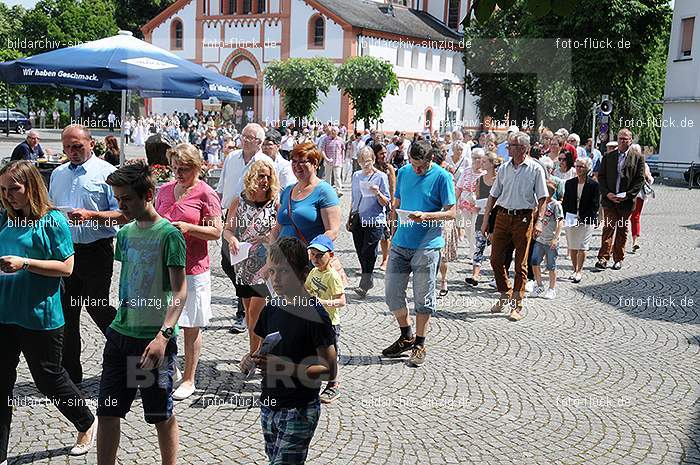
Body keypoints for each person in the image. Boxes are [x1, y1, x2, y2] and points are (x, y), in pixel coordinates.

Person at [0, 161, 97, 461]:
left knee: (47, 378)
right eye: (3, 189)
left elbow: (67, 267)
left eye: (14, 189)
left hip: (40, 316)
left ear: (31, 187)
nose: (8, 195)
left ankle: (86, 422)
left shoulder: (52, 220)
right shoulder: (6, 218)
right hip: (4, 314)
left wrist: (24, 263)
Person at [96, 162, 187, 465]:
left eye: (127, 199)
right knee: (108, 410)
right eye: (118, 199)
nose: (121, 206)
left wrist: (164, 336)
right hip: (121, 336)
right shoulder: (124, 234)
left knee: (160, 413)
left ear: (147, 195)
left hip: (153, 340)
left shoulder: (169, 235)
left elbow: (179, 292)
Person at [247, 237, 337, 465]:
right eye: (273, 271)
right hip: (269, 405)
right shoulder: (271, 309)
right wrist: (250, 359)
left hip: (300, 408)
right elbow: (260, 351)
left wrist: (282, 367)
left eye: (284, 272)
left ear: (303, 273)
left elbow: (328, 370)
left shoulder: (316, 316)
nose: (276, 279)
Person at [49, 124, 122, 384]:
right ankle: (71, 375)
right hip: (65, 252)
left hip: (96, 251)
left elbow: (124, 214)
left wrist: (93, 216)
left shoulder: (107, 172)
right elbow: (51, 211)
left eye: (78, 146)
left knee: (98, 306)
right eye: (67, 147)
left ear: (91, 143)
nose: (72, 151)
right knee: (67, 314)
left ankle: (131, 354)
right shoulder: (57, 174)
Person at [155, 143, 222, 400]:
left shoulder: (206, 193)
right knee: (164, 319)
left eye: (183, 169)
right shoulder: (164, 190)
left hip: (193, 267)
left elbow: (216, 231)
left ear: (197, 167)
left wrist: (187, 227)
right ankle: (168, 367)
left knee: (191, 324)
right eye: (174, 168)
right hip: (164, 265)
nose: (178, 174)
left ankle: (189, 378)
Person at [382, 141, 455, 366]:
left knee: (423, 298)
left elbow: (452, 212)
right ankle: (406, 335)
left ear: (430, 160)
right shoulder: (404, 172)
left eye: (421, 167)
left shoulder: (443, 177)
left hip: (428, 244)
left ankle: (420, 343)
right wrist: (392, 231)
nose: (417, 170)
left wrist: (427, 216)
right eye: (413, 165)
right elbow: (397, 203)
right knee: (392, 294)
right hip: (401, 242)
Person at [481, 132, 547, 322]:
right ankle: (505, 292)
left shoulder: (535, 169)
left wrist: (539, 221)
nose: (507, 148)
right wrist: (486, 222)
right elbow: (493, 195)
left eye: (511, 145)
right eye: (509, 145)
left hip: (524, 218)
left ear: (523, 148)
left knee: (521, 264)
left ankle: (516, 304)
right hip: (502, 216)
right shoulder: (504, 168)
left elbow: (543, 198)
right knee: (495, 260)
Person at [223, 159, 279, 372]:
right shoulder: (239, 201)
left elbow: (279, 231)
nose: (264, 180)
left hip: (265, 263)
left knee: (256, 309)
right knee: (248, 311)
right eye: (260, 176)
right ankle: (255, 350)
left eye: (268, 176)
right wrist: (232, 240)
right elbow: (227, 230)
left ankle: (255, 356)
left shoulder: (275, 203)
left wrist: (268, 238)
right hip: (242, 262)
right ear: (252, 177)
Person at [217, 123, 271, 335]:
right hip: (231, 217)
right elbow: (222, 187)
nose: (244, 139)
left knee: (248, 267)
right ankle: (245, 303)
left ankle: (244, 312)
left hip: (254, 219)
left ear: (259, 141)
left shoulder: (265, 162)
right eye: (243, 136)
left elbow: (272, 189)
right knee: (228, 262)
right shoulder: (232, 158)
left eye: (249, 137)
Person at [270, 142, 341, 245]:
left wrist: (312, 250)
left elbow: (332, 232)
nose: (297, 166)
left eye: (302, 162)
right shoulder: (287, 191)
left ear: (315, 163)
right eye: (294, 161)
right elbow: (277, 229)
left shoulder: (325, 191)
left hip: (308, 258)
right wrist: (271, 255)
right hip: (282, 258)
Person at [595, 129, 645, 270]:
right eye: (620, 138)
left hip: (626, 201)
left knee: (622, 229)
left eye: (625, 139)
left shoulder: (638, 158)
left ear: (630, 140)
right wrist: (607, 193)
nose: (622, 141)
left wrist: (628, 195)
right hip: (610, 200)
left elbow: (639, 180)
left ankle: (618, 258)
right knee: (608, 228)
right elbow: (601, 177)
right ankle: (603, 258)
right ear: (617, 140)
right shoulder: (608, 156)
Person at [304, 234, 345, 404]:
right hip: (313, 321)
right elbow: (306, 289)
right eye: (312, 255)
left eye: (320, 255)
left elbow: (342, 301)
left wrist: (324, 302)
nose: (315, 259)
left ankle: (333, 385)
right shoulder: (313, 272)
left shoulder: (332, 276)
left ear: (331, 255)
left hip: (330, 323)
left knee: (330, 356)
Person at [348, 146, 390, 298]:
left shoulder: (381, 177)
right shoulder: (356, 176)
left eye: (369, 160)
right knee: (360, 250)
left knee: (369, 251)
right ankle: (368, 277)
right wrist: (350, 217)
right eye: (362, 161)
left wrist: (377, 193)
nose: (366, 164)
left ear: (373, 159)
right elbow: (354, 199)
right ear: (358, 162)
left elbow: (386, 202)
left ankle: (364, 283)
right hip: (358, 217)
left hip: (375, 219)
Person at [465, 152, 501, 286]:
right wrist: (475, 205)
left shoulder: (499, 179)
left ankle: (497, 276)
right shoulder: (480, 179)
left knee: (496, 249)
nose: (482, 163)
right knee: (479, 246)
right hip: (481, 216)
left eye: (485, 161)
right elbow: (478, 197)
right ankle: (475, 275)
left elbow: (501, 198)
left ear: (492, 164)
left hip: (496, 217)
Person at [562, 156, 599, 283]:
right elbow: (565, 202)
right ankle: (574, 269)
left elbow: (594, 205)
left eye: (581, 166)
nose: (578, 169)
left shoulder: (593, 185)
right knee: (573, 246)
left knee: (582, 246)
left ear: (587, 168)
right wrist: (567, 216)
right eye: (577, 166)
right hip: (571, 218)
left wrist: (582, 218)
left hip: (586, 219)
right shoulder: (569, 183)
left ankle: (579, 271)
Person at [530, 181, 564, 299]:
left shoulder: (555, 205)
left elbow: (560, 221)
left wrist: (556, 238)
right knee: (534, 262)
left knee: (551, 266)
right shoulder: (540, 204)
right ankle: (539, 285)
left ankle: (551, 288)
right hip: (539, 240)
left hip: (550, 241)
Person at [432, 149, 459, 297]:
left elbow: (452, 200)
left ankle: (443, 279)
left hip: (444, 218)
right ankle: (430, 282)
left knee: (442, 254)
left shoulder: (447, 176)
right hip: (430, 219)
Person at [372, 143, 396, 271]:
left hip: (386, 204)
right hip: (373, 203)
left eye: (385, 153)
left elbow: (393, 187)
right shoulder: (372, 167)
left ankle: (386, 259)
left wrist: (393, 204)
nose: (384, 155)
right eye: (381, 153)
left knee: (385, 234)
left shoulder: (389, 168)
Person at [456, 147, 486, 249]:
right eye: (474, 157)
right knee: (468, 228)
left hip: (480, 205)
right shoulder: (466, 171)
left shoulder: (485, 173)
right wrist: (454, 202)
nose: (476, 160)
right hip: (465, 203)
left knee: (476, 227)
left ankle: (476, 251)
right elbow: (459, 187)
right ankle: (473, 249)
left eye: (479, 158)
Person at [629, 144, 654, 253]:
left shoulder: (643, 165)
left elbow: (650, 180)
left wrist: (647, 176)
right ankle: (626, 241)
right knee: (629, 218)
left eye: (636, 152)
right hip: (631, 194)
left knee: (633, 217)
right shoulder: (626, 163)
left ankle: (634, 241)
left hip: (636, 195)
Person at [321, 127, 345, 196]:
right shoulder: (326, 139)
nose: (332, 132)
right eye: (332, 130)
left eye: (334, 131)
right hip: (328, 161)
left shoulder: (340, 140)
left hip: (338, 161)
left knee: (337, 176)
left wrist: (342, 159)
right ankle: (328, 191)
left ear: (337, 132)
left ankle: (339, 191)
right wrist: (326, 159)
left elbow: (343, 150)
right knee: (327, 176)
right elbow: (322, 150)